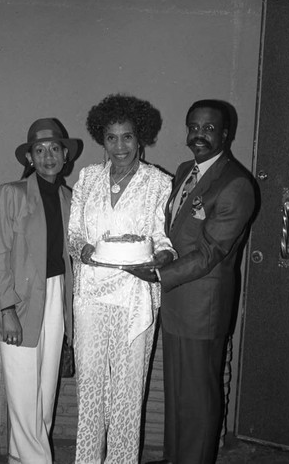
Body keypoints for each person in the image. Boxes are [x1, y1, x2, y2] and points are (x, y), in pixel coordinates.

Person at [130, 100, 256, 464]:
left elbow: (210, 252)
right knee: (177, 392)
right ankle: (175, 458)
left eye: (209, 128)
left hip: (203, 307)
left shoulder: (235, 184)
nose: (199, 134)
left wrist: (158, 275)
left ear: (226, 133)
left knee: (198, 397)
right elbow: (175, 232)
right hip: (176, 303)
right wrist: (158, 254)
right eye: (193, 126)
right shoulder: (187, 169)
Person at [67, 93, 177, 464]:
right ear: (102, 138)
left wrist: (162, 256)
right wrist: (81, 248)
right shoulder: (87, 178)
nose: (120, 146)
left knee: (129, 393)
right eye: (111, 137)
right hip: (92, 298)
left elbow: (163, 238)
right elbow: (74, 234)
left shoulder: (158, 182)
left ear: (140, 137)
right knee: (91, 389)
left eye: (127, 136)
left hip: (135, 298)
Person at [0, 118, 80, 464]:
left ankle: (20, 458)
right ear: (29, 159)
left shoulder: (71, 198)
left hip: (58, 300)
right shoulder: (12, 194)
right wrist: (7, 310)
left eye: (55, 148)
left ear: (65, 155)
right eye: (39, 150)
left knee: (45, 391)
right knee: (23, 393)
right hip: (21, 303)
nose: (48, 156)